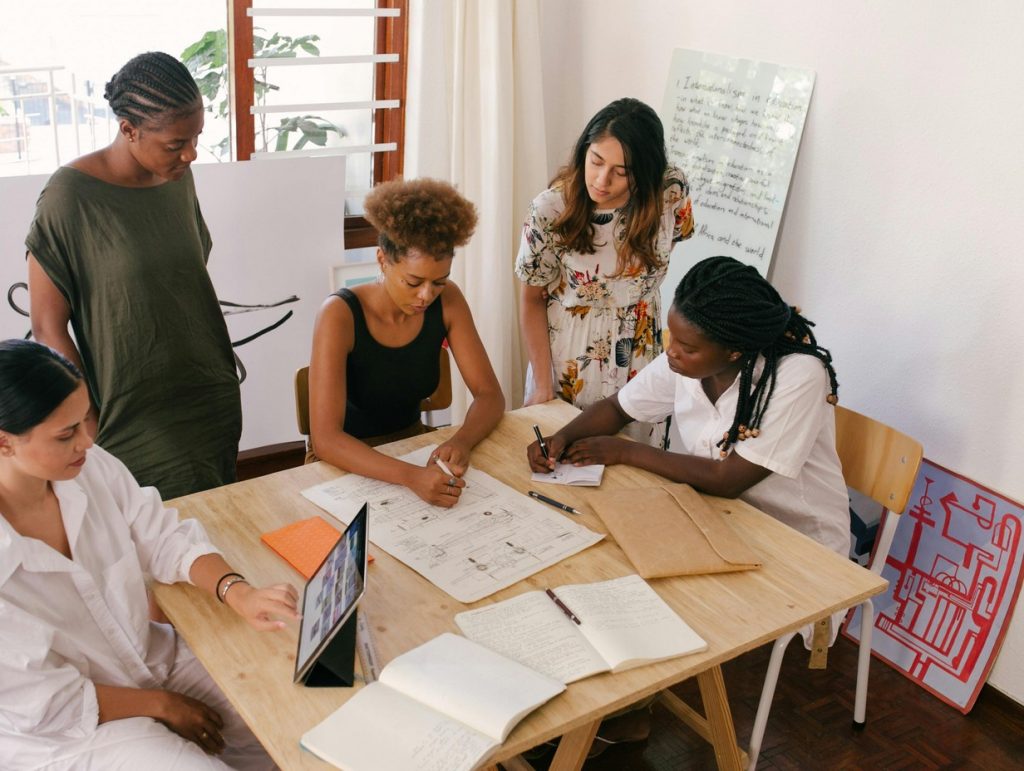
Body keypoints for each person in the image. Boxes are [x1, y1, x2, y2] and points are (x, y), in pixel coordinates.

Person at [0, 339, 299, 770]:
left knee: (287, 713)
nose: (87, 441)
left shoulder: (88, 465)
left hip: (150, 659)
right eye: (66, 434)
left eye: (85, 420)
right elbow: (48, 703)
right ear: (5, 443)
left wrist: (238, 592)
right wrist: (163, 705)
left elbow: (162, 536)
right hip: (70, 731)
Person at [528, 255, 850, 565]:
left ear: (734, 351)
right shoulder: (686, 363)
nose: (672, 351)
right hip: (725, 520)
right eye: (674, 337)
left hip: (801, 547)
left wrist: (624, 452)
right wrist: (562, 437)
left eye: (687, 347)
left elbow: (727, 480)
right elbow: (617, 408)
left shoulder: (798, 375)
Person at [26, 51, 241, 500]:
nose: (190, 153)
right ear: (129, 129)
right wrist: (85, 417)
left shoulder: (177, 176)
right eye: (175, 143)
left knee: (216, 524)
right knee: (153, 538)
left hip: (208, 392)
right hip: (131, 409)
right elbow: (48, 326)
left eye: (196, 137)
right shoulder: (70, 197)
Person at [308, 178, 505, 508]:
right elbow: (326, 440)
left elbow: (490, 395)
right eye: (413, 282)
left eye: (438, 282)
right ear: (383, 260)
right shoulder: (339, 315)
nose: (426, 295)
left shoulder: (448, 301)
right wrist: (411, 477)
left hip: (411, 447)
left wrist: (462, 441)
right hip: (344, 463)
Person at [515, 97, 694, 446]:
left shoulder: (670, 192)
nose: (601, 179)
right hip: (571, 358)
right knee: (564, 463)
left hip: (642, 355)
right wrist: (542, 384)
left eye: (621, 171)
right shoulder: (551, 209)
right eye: (595, 161)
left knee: (637, 472)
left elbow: (670, 244)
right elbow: (531, 298)